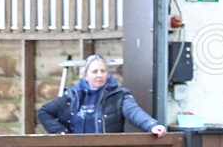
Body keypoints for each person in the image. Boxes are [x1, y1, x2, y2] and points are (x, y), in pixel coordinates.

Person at [37, 54, 167, 137]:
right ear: (85, 76)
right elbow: (44, 112)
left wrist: (152, 126)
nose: (99, 75)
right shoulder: (72, 96)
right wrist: (62, 134)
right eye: (94, 71)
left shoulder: (119, 95)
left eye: (103, 71)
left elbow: (134, 113)